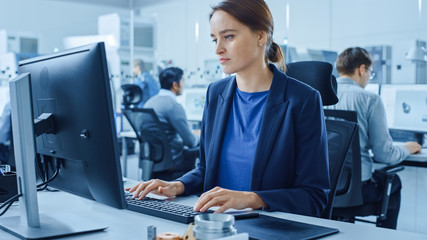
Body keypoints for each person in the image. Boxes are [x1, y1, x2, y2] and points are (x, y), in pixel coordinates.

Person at [127, 0, 330, 217]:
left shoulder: (302, 100)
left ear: (261, 36)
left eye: (229, 37)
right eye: (215, 39)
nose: (218, 49)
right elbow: (205, 169)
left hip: (266, 227)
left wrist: (252, 198)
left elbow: (314, 196)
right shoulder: (216, 94)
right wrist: (177, 185)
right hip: (215, 224)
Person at [328, 47, 422, 229]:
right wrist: (406, 148)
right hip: (359, 190)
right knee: (393, 182)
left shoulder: (322, 96)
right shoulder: (369, 99)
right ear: (362, 69)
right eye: (370, 72)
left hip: (325, 189)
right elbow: (384, 154)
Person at [143, 67, 199, 180]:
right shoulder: (173, 105)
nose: (184, 85)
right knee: (205, 147)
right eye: (183, 81)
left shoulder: (149, 103)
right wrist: (199, 135)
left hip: (154, 162)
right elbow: (190, 142)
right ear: (175, 85)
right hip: (173, 162)